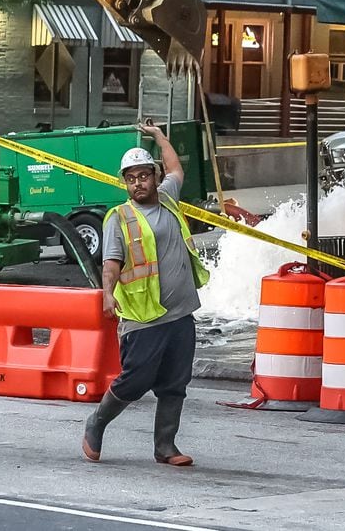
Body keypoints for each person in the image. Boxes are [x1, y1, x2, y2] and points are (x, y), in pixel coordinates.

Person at [82, 122, 209, 467]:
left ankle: (165, 446)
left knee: (175, 383)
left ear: (154, 176)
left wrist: (159, 137)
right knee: (134, 380)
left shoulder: (168, 198)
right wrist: (108, 295)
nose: (138, 183)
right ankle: (97, 423)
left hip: (180, 312)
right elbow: (111, 263)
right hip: (143, 315)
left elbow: (176, 167)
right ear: (125, 182)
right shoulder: (118, 218)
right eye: (131, 178)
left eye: (143, 176)